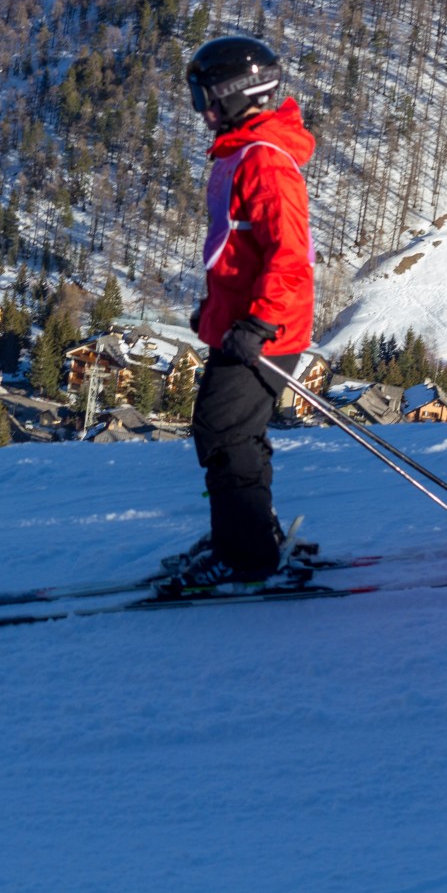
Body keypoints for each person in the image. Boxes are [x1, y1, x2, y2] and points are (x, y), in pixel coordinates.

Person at [174, 35, 316, 589]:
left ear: (238, 95)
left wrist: (258, 322)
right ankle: (246, 533)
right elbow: (237, 250)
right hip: (245, 325)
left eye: (207, 98)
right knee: (225, 435)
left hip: (266, 331)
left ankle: (248, 555)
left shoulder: (265, 162)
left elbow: (291, 256)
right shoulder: (241, 152)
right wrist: (215, 311)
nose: (203, 110)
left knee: (225, 435)